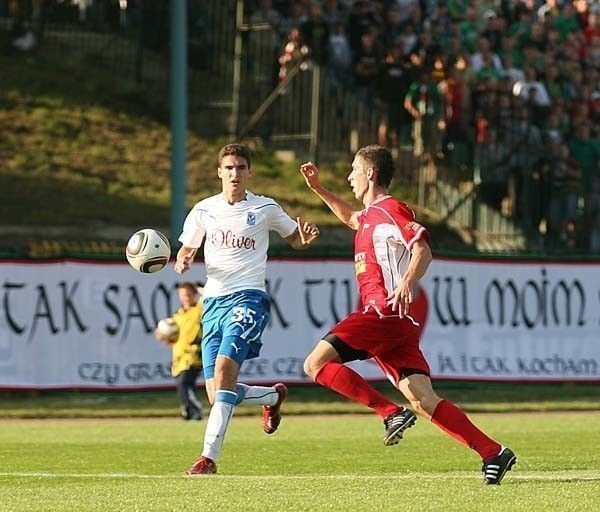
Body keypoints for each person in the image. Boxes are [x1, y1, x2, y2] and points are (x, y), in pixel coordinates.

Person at [299, 145, 517, 485]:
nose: (349, 176)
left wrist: (406, 282)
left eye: (354, 169)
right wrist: (318, 189)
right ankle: (493, 452)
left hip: (382, 312)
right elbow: (349, 218)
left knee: (314, 364)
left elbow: (422, 248)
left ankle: (389, 412)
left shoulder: (390, 209)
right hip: (397, 323)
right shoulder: (369, 216)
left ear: (370, 174)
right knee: (423, 399)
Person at [174, 143, 320, 475]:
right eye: (229, 168)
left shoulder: (265, 207)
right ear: (219, 172)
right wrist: (184, 258)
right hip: (212, 304)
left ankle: (207, 459)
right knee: (217, 396)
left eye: (241, 167)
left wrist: (304, 237)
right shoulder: (203, 210)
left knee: (225, 370)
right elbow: (188, 248)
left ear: (249, 172)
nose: (235, 174)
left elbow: (293, 237)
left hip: (248, 298)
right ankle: (271, 397)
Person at [154, 281, 205, 421]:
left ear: (194, 295)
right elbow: (174, 335)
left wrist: (199, 290)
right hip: (179, 357)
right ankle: (188, 412)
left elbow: (207, 297)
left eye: (188, 294)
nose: (185, 298)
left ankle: (196, 410)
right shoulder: (179, 314)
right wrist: (164, 336)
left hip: (193, 355)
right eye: (182, 295)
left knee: (184, 383)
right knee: (182, 385)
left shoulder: (199, 309)